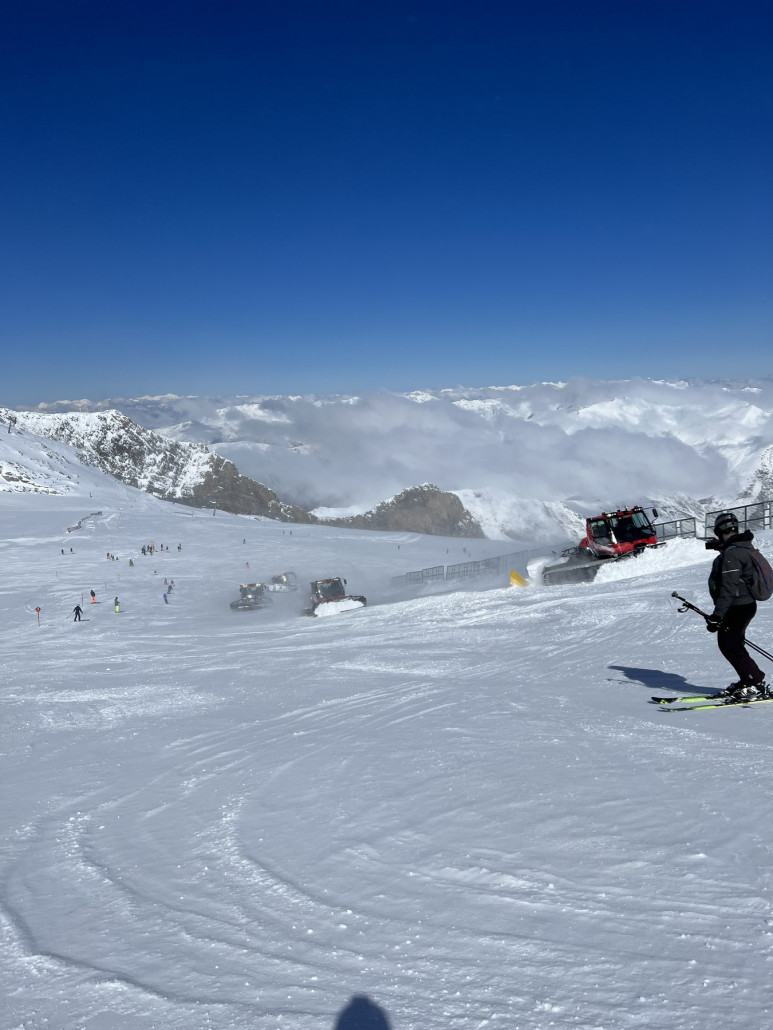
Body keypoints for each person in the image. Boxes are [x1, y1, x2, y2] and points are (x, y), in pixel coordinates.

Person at [706, 511, 769, 699]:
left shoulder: (733, 553)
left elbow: (728, 587)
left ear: (720, 531)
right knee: (734, 643)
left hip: (738, 606)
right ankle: (749, 679)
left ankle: (754, 683)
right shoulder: (740, 548)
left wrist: (717, 616)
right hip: (742, 605)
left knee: (729, 645)